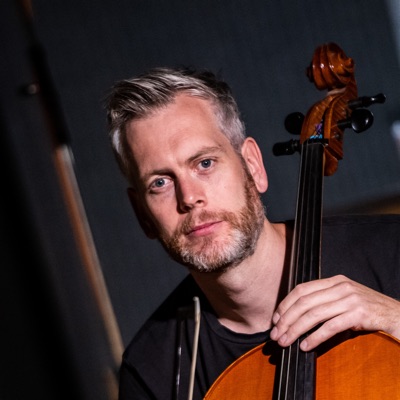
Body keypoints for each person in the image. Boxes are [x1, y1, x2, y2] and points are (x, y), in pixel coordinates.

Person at [105, 67, 400, 399]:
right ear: (141, 213)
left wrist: (396, 319)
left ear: (252, 165)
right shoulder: (152, 372)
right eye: (160, 182)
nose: (189, 197)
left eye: (205, 163)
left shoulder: (392, 254)